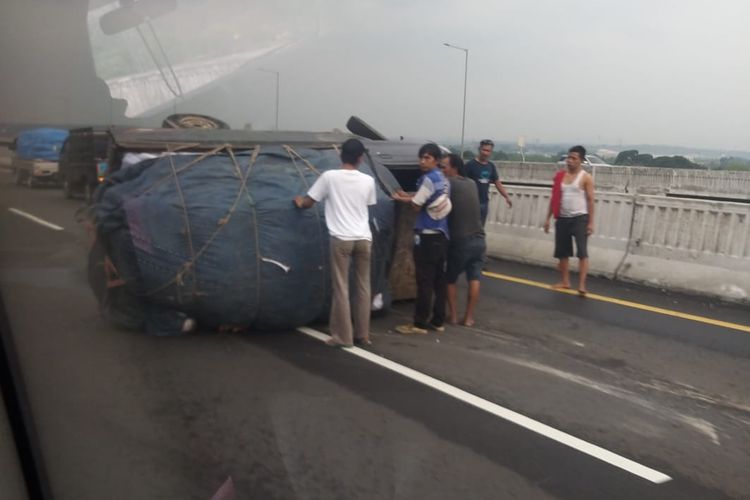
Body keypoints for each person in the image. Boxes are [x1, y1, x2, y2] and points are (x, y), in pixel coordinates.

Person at [294, 138, 377, 347]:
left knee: (341, 287)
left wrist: (299, 202)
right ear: (360, 158)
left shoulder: (329, 177)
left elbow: (308, 202)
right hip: (364, 239)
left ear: (340, 155)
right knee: (363, 286)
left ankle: (343, 337)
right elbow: (369, 204)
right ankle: (363, 334)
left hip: (341, 239)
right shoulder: (368, 180)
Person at [392, 143, 451, 335]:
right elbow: (427, 199)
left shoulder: (427, 180)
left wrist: (402, 199)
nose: (422, 162)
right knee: (438, 281)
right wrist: (409, 196)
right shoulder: (443, 179)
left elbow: (418, 205)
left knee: (424, 281)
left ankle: (419, 323)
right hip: (441, 235)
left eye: (427, 158)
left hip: (426, 235)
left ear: (436, 160)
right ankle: (438, 320)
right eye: (421, 158)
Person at [543, 145, 595, 295]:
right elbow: (555, 199)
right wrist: (548, 218)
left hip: (580, 218)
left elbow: (591, 200)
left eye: (574, 158)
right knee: (562, 252)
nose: (570, 161)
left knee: (582, 252)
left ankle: (582, 285)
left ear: (581, 160)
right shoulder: (561, 176)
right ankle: (565, 281)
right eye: (569, 157)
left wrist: (591, 222)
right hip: (563, 218)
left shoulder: (585, 177)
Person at [441, 153, 486, 327]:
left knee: (449, 278)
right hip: (479, 239)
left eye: (444, 166)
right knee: (474, 278)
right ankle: (468, 318)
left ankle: (452, 315)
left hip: (461, 241)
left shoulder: (449, 184)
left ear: (454, 168)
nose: (441, 170)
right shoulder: (472, 184)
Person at [465, 139, 512, 226]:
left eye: (488, 151)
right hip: (471, 203)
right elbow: (462, 182)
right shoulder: (470, 165)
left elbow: (497, 182)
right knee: (470, 227)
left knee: (480, 228)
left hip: (484, 203)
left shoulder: (491, 166)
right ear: (479, 149)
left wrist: (506, 197)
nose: (485, 153)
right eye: (484, 150)